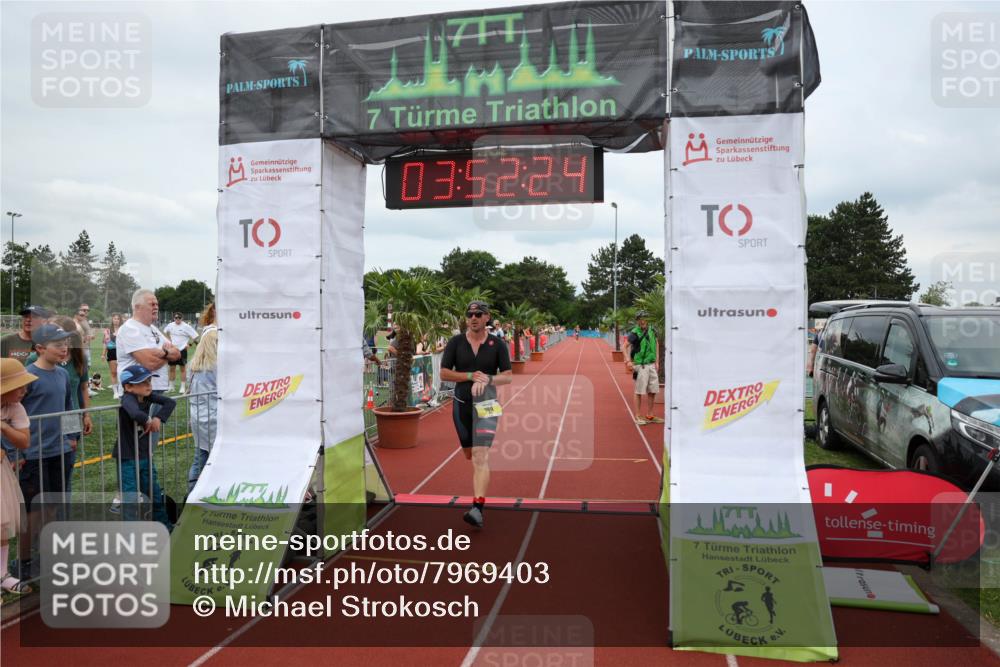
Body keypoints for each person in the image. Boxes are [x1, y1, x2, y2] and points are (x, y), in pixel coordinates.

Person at [439, 301, 512, 529]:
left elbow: (507, 376)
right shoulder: (456, 342)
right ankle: (478, 502)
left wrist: (487, 379)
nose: (473, 317)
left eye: (478, 314)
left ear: (487, 317)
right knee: (470, 455)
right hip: (461, 404)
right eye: (470, 314)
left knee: (481, 456)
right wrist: (471, 376)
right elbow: (443, 373)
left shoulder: (497, 344)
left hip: (488, 405)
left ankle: (477, 508)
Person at [12, 324, 74, 578]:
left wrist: (71, 436)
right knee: (32, 512)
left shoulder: (63, 375)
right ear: (39, 348)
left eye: (65, 343)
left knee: (51, 508)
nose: (64, 348)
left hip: (58, 453)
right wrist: (15, 452)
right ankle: (24, 561)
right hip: (33, 455)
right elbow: (10, 414)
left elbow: (69, 407)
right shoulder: (27, 377)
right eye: (57, 344)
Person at [117, 289, 181, 452]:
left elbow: (178, 354)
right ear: (137, 306)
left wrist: (163, 353)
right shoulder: (130, 328)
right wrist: (167, 353)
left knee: (149, 445)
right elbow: (149, 362)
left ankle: (146, 474)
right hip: (137, 394)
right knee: (137, 445)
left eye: (157, 304)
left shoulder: (153, 328)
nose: (156, 307)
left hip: (155, 391)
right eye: (152, 304)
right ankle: (135, 476)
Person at [116, 364, 176, 529]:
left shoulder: (148, 397)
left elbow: (170, 402)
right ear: (128, 387)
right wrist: (148, 420)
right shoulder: (128, 398)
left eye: (149, 381)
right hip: (127, 458)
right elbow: (134, 413)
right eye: (143, 383)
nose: (149, 385)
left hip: (144, 456)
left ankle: (165, 526)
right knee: (130, 499)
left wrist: (158, 418)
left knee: (155, 495)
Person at [0, 359, 37, 594]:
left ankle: (2, 573)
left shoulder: (15, 408)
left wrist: (3, 427)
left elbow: (24, 441)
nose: (24, 390)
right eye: (19, 386)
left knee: (2, 521)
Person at [186, 329, 218, 493]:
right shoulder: (215, 366)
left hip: (197, 415)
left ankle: (192, 490)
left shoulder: (192, 365)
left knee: (200, 456)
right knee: (215, 458)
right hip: (214, 417)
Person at [624, 311, 664, 426]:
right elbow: (624, 346)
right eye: (640, 319)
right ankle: (637, 416)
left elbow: (656, 343)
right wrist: (628, 361)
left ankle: (650, 415)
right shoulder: (635, 333)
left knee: (652, 390)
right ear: (637, 321)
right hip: (641, 365)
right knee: (639, 391)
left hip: (651, 365)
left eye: (644, 318)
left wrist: (657, 360)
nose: (642, 321)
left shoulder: (652, 329)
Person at [163, 312, 199, 394]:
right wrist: (169, 340)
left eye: (179, 318)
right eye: (176, 318)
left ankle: (182, 387)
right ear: (174, 318)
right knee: (171, 368)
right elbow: (165, 331)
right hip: (172, 350)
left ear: (182, 318)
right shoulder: (170, 325)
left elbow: (195, 336)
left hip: (182, 350)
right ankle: (171, 387)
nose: (177, 319)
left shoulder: (186, 326)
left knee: (182, 369)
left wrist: (189, 344)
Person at [103, 312, 124, 398]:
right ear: (112, 319)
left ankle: (121, 389)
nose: (116, 320)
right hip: (112, 352)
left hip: (122, 352)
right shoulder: (107, 331)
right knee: (113, 372)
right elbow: (105, 343)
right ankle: (115, 392)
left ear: (120, 320)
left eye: (118, 319)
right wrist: (103, 354)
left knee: (121, 372)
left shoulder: (123, 329)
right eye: (115, 318)